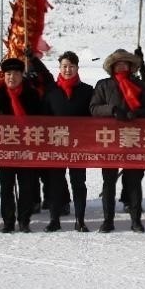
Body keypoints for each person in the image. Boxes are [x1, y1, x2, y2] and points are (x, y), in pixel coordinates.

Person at [89, 48, 145, 233]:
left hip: (134, 140)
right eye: (118, 63)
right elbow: (94, 108)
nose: (122, 66)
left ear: (131, 66)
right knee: (108, 182)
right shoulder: (103, 85)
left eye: (125, 63)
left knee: (134, 182)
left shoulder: (139, 85)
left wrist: (138, 113)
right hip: (109, 141)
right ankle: (108, 220)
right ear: (112, 66)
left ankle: (136, 220)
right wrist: (112, 110)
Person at [0, 57, 45, 232]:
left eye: (16, 73)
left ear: (21, 75)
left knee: (26, 186)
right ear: (3, 75)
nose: (12, 77)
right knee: (6, 186)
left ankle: (24, 220)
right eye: (8, 74)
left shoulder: (31, 94)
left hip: (26, 148)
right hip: (5, 148)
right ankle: (8, 221)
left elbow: (40, 120)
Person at [43, 51, 95, 232]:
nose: (68, 69)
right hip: (56, 145)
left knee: (78, 183)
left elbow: (94, 117)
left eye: (71, 66)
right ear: (59, 68)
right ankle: (54, 219)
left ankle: (80, 219)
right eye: (65, 66)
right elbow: (42, 119)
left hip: (79, 146)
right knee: (55, 183)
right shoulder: (51, 92)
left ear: (77, 68)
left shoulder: (88, 91)